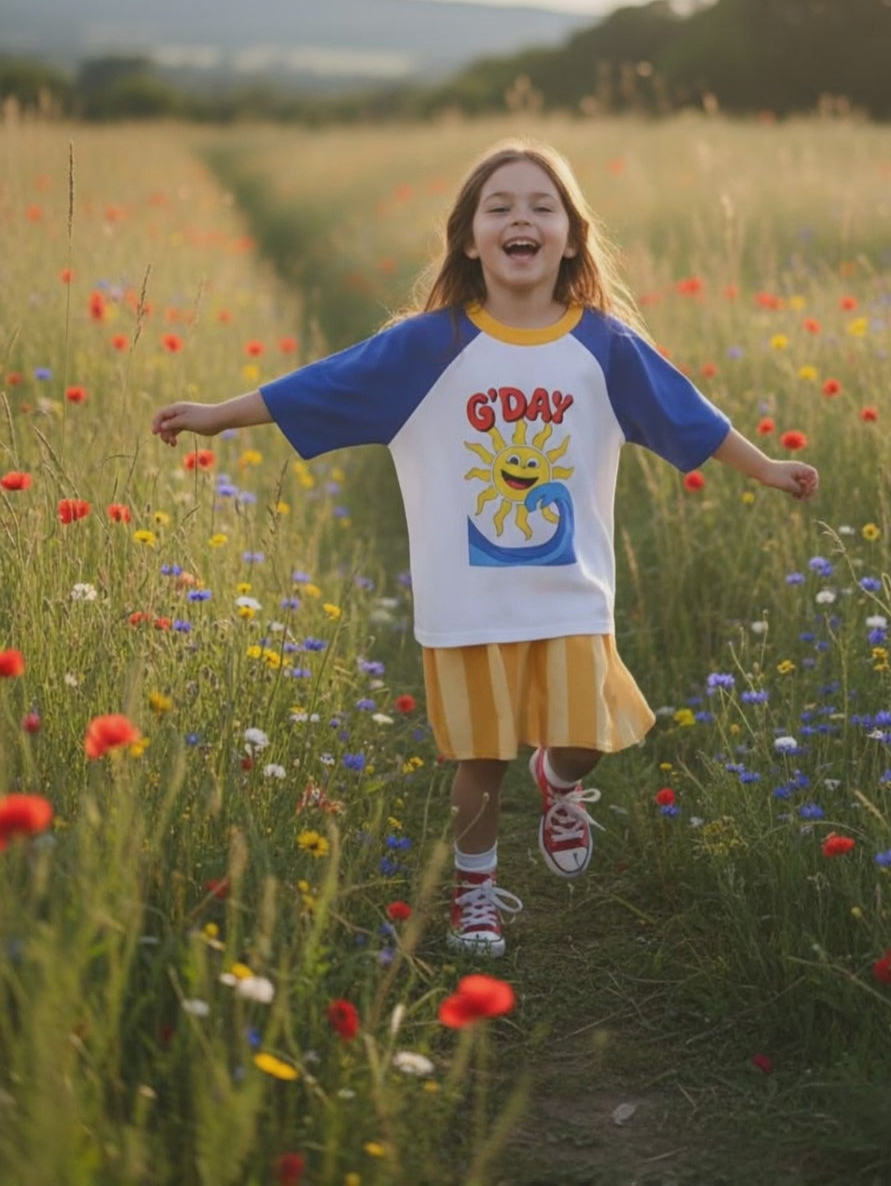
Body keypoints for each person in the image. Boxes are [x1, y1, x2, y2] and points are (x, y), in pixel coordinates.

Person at [152, 140, 818, 957]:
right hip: (465, 600)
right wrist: (217, 413)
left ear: (571, 237)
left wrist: (766, 467)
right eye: (498, 208)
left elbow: (690, 414)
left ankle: (560, 782)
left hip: (570, 588)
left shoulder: (604, 346)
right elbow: (322, 384)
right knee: (481, 761)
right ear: (469, 240)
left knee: (587, 734)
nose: (520, 219)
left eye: (542, 207)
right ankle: (475, 895)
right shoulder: (428, 347)